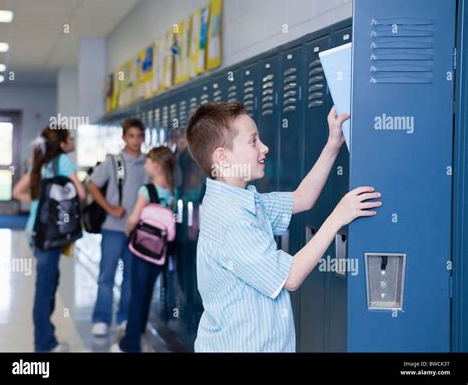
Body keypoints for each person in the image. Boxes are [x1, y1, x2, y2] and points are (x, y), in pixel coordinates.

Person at [185, 103, 382, 352]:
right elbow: (291, 277)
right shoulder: (232, 220)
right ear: (223, 158)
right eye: (253, 141)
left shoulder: (243, 199)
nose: (264, 148)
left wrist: (333, 144)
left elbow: (302, 198)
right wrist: (338, 217)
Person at [13, 127, 86, 352]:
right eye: (70, 137)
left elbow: (17, 191)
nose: (73, 140)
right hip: (51, 233)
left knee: (48, 283)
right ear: (63, 144)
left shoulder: (41, 162)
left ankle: (47, 339)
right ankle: (43, 344)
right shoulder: (62, 161)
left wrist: (37, 201)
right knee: (45, 287)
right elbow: (81, 194)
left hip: (35, 231)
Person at [110, 146, 175, 352]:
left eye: (148, 162)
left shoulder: (146, 190)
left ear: (156, 166)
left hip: (141, 250)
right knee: (147, 292)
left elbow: (133, 218)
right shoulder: (172, 191)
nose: (145, 165)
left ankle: (129, 344)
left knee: (136, 294)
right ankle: (139, 330)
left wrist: (129, 234)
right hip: (160, 252)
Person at [89, 118, 148, 336]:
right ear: (124, 137)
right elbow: (93, 185)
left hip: (137, 231)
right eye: (131, 136)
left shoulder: (147, 163)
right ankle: (101, 319)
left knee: (131, 277)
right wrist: (110, 208)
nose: (136, 140)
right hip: (113, 229)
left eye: (139, 136)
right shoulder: (115, 162)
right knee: (106, 275)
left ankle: (124, 318)